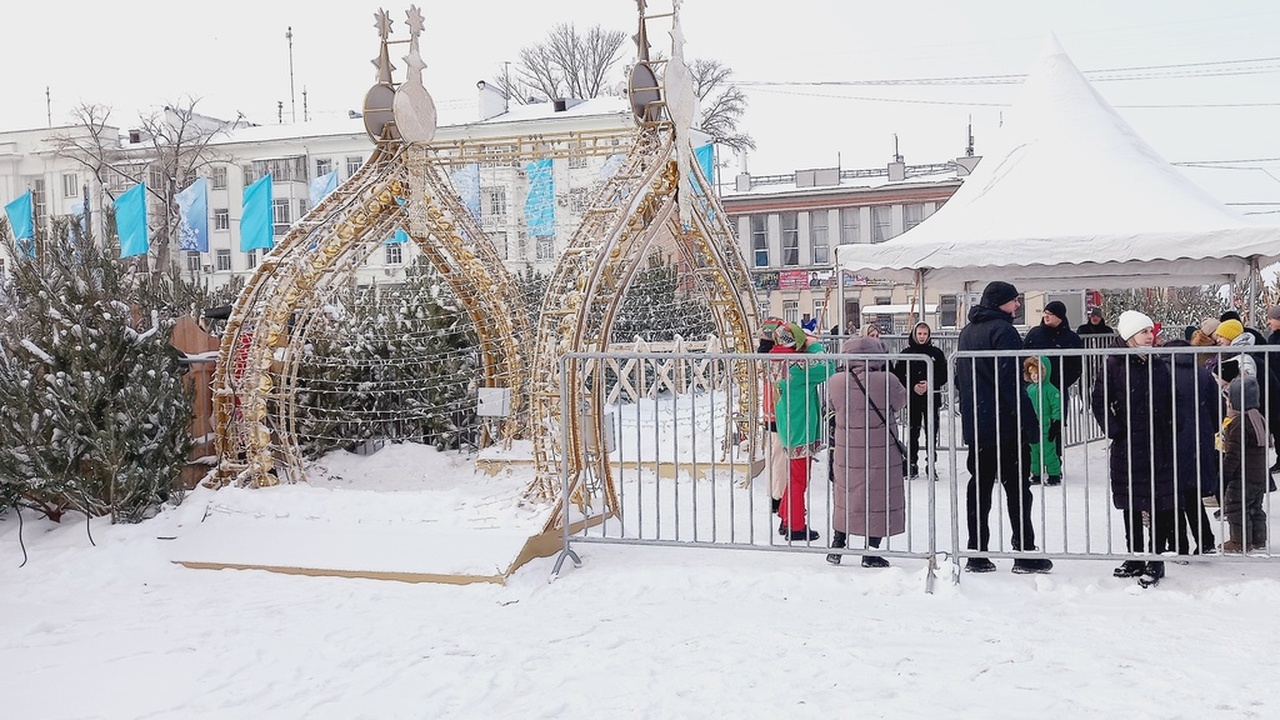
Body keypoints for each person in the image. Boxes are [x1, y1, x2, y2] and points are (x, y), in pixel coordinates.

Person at [955, 281, 1052, 574]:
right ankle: (1024, 550)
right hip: (1005, 423)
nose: (1018, 305)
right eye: (1014, 301)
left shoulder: (967, 332)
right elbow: (1010, 382)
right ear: (1000, 303)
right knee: (1017, 488)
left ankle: (977, 551)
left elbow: (962, 378)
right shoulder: (1004, 331)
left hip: (979, 422)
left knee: (980, 487)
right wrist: (1029, 423)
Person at [1091, 310, 1176, 588]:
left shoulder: (1159, 362)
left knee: (1158, 502)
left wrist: (1169, 426)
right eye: (1144, 332)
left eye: (1151, 331)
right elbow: (1100, 401)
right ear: (1129, 337)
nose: (1150, 336)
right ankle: (1136, 555)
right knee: (1130, 501)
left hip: (1158, 441)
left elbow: (1169, 398)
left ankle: (1156, 559)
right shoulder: (1115, 363)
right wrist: (1116, 430)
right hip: (1128, 443)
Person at [825, 335, 908, 567]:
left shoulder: (836, 381)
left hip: (847, 449)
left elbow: (832, 405)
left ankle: (837, 546)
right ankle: (871, 552)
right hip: (880, 448)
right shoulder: (887, 380)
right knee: (878, 497)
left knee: (846, 496)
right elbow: (901, 402)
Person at [771, 322, 835, 542]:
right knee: (799, 479)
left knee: (794, 477)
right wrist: (815, 346)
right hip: (800, 426)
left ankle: (786, 516)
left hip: (789, 424)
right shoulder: (798, 364)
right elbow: (828, 367)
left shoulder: (777, 359)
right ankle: (796, 526)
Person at [1165, 339, 1219, 555]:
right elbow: (1218, 410)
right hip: (1199, 441)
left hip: (1170, 441)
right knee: (1193, 494)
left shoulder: (1161, 374)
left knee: (1171, 495)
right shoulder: (1203, 374)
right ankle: (1206, 541)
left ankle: (1179, 544)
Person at [1023, 300, 1084, 458]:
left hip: (1056, 389)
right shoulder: (1034, 334)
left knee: (1055, 424)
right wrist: (1029, 381)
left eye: (1050, 314)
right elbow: (1023, 359)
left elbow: (1077, 366)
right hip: (1034, 389)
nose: (1046, 316)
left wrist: (1060, 383)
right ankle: (1033, 463)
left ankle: (1054, 465)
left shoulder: (1071, 339)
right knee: (1031, 423)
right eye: (1045, 313)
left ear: (1060, 317)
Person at [890, 321, 948, 478]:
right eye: (919, 334)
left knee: (931, 432)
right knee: (913, 431)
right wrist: (912, 386)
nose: (922, 337)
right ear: (914, 335)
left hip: (932, 398)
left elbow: (944, 374)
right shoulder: (906, 353)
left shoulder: (936, 353)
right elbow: (898, 375)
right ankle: (912, 463)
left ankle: (931, 464)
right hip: (913, 398)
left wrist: (931, 383)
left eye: (925, 334)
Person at [1219, 375, 1269, 553]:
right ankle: (1258, 538)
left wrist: (1225, 475)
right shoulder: (1259, 418)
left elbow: (1234, 454)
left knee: (1236, 508)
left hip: (1243, 476)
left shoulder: (1239, 423)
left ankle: (1240, 542)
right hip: (1258, 476)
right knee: (1255, 508)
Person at [757, 317, 789, 514]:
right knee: (779, 457)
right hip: (779, 411)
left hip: (770, 411)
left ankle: (774, 494)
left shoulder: (767, 356)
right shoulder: (776, 357)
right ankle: (778, 496)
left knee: (773, 456)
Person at [1023, 356, 1062, 486]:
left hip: (1046, 426)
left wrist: (1056, 422)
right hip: (1033, 426)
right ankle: (1036, 473)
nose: (1034, 376)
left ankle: (1054, 474)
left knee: (1048, 451)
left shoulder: (1051, 390)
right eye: (1031, 373)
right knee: (1033, 451)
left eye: (1037, 373)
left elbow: (1057, 407)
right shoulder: (1030, 390)